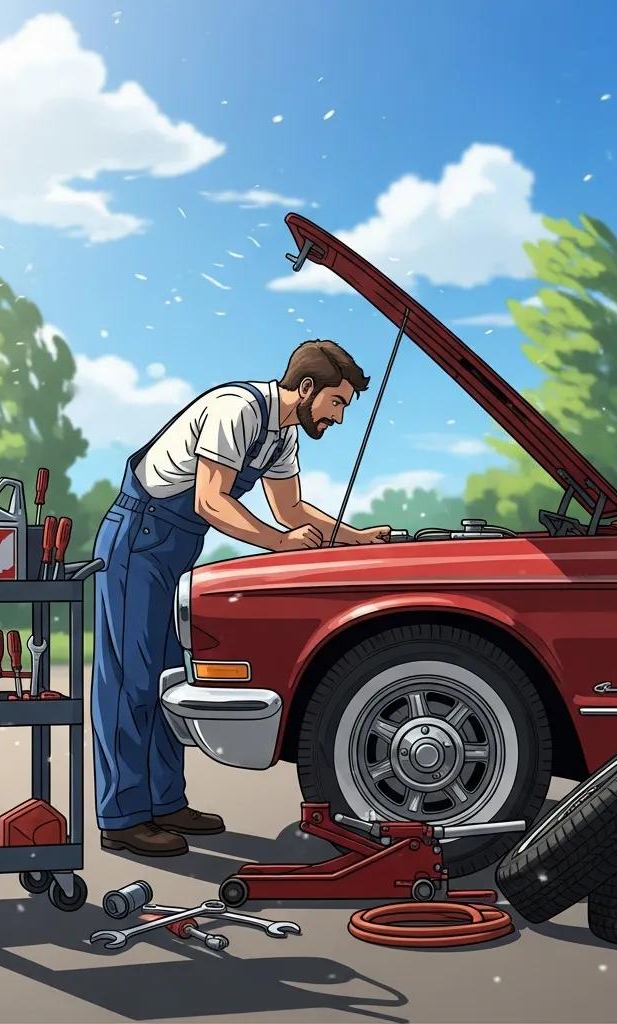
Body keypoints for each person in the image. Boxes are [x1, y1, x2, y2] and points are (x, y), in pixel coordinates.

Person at [91, 340, 392, 856]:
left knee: (167, 679)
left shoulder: (281, 437)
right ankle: (121, 815)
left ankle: (163, 803)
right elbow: (212, 499)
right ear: (305, 388)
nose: (340, 417)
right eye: (337, 402)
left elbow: (292, 510)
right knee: (129, 682)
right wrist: (279, 545)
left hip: (175, 546)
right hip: (138, 539)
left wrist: (357, 539)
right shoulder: (237, 410)